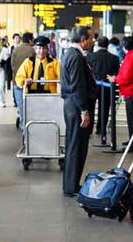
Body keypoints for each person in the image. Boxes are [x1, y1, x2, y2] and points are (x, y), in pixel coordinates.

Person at [61, 27, 96, 197]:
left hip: (72, 105)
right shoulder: (75, 57)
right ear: (83, 39)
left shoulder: (71, 54)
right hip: (76, 107)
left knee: (74, 145)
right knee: (76, 146)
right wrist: (84, 110)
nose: (92, 41)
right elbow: (77, 86)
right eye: (90, 38)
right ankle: (71, 186)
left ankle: (72, 183)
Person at [15, 36, 61, 130]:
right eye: (39, 48)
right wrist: (25, 80)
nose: (42, 51)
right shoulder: (28, 62)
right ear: (35, 49)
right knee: (32, 120)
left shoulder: (54, 62)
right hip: (32, 95)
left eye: (44, 48)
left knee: (48, 119)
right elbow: (19, 77)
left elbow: (61, 77)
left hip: (49, 95)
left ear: (47, 50)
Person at [87, 36, 120, 135]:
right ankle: (101, 129)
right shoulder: (114, 58)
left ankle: (89, 129)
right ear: (107, 45)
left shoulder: (91, 56)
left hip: (93, 86)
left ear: (98, 44)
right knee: (104, 109)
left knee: (90, 107)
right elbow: (116, 73)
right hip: (107, 87)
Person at [11, 32, 36, 129]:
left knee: (21, 104)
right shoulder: (33, 50)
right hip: (30, 81)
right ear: (30, 40)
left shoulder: (16, 49)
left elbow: (12, 65)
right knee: (30, 104)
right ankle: (31, 124)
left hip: (17, 81)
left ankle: (23, 125)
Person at [0, 37, 11, 107]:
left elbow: (7, 59)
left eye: (2, 40)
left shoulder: (5, 49)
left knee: (1, 85)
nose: (1, 41)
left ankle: (1, 100)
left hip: (1, 69)